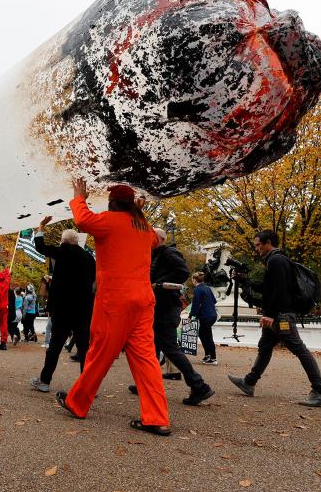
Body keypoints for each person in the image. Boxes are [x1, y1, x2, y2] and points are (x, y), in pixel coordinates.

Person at [57, 180, 171, 436]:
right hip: (143, 300)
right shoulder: (144, 227)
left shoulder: (110, 221)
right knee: (146, 360)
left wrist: (79, 197)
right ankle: (157, 418)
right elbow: (154, 240)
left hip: (115, 300)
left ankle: (77, 403)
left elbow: (83, 221)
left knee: (100, 353)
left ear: (112, 204)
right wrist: (139, 211)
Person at [228, 231, 321, 406]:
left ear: (268, 242)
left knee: (299, 349)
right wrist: (245, 281)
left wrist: (269, 314)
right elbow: (268, 287)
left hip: (280, 315)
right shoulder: (279, 260)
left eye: (258, 245)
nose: (257, 249)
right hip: (280, 313)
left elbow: (279, 291)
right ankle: (249, 382)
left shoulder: (276, 261)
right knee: (265, 347)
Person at [128, 228, 214, 406]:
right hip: (160, 307)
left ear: (158, 239)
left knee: (169, 347)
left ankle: (199, 386)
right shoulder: (158, 254)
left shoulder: (168, 252)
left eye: (150, 237)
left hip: (166, 308)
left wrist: (158, 285)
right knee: (151, 348)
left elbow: (182, 272)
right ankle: (145, 383)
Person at [29, 218, 95, 392]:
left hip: (63, 309)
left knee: (55, 347)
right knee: (84, 349)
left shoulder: (62, 252)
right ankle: (87, 387)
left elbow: (40, 247)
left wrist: (41, 227)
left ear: (64, 241)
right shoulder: (89, 258)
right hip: (83, 309)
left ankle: (44, 381)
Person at [190, 271, 218, 365]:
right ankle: (207, 355)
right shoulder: (207, 288)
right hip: (212, 315)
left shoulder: (197, 289)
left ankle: (213, 358)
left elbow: (196, 304)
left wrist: (191, 315)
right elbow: (214, 301)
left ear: (194, 280)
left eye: (192, 279)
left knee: (208, 336)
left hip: (205, 316)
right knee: (202, 334)